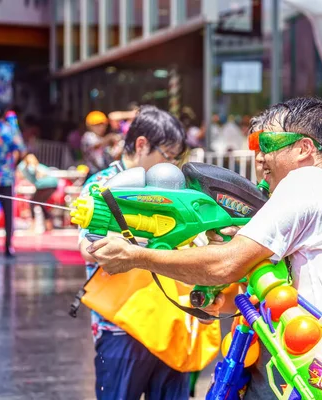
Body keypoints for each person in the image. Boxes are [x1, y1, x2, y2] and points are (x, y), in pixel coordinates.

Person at [87, 97, 322, 399]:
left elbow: (226, 264)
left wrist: (136, 256)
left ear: (303, 149)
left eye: (267, 144)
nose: (260, 156)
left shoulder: (307, 182)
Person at [78, 105, 190, 400]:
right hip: (120, 325)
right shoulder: (101, 186)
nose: (174, 165)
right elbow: (86, 247)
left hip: (170, 322)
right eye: (168, 156)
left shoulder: (172, 189)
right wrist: (137, 244)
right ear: (141, 144)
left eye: (178, 158)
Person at [0, 100, 26, 257]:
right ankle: (8, 248)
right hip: (6, 178)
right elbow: (21, 150)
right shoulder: (10, 130)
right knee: (8, 214)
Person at [17, 154, 59, 232]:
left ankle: (33, 225)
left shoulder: (28, 166)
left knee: (32, 202)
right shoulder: (35, 166)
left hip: (45, 185)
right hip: (52, 184)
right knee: (41, 203)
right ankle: (48, 224)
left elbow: (35, 170)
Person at [81, 111, 122, 176]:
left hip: (104, 171)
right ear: (89, 126)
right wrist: (109, 137)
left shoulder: (102, 138)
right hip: (92, 172)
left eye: (102, 124)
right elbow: (96, 145)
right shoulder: (88, 136)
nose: (100, 127)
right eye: (96, 125)